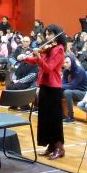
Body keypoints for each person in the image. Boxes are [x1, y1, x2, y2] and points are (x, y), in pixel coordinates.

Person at [20, 25, 66, 159]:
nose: (47, 37)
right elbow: (37, 61)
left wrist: (38, 56)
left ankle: (59, 147)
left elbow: (49, 68)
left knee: (55, 119)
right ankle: (51, 145)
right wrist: (25, 58)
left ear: (56, 34)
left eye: (50, 34)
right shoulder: (49, 48)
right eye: (46, 34)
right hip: (45, 86)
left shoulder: (59, 50)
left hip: (54, 87)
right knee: (45, 118)